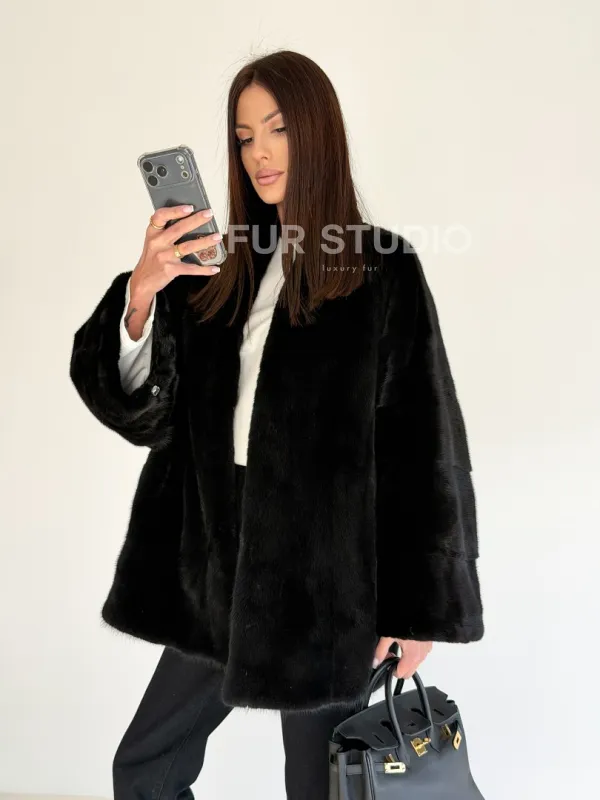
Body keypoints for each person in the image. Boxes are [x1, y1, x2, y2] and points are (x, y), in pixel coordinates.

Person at [69, 50, 484, 800]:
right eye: (243, 136)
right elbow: (146, 416)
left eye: (279, 128)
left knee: (319, 786)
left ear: (318, 131)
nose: (259, 152)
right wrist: (142, 293)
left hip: (330, 586)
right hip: (218, 568)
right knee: (144, 768)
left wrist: (416, 613)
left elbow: (423, 447)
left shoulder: (381, 270)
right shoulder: (216, 269)